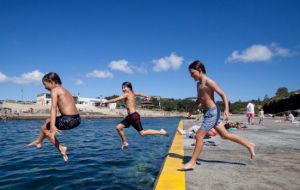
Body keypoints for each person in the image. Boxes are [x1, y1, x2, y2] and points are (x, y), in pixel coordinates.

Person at [181, 60, 255, 170]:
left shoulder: (209, 82)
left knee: (199, 136)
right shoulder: (198, 85)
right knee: (225, 135)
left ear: (199, 70)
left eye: (192, 73)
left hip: (213, 112)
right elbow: (198, 100)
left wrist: (227, 109)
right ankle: (248, 144)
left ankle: (192, 162)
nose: (191, 76)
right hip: (208, 113)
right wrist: (191, 111)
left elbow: (223, 94)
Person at [28, 72, 81, 162]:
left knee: (45, 128)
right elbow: (66, 109)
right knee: (47, 122)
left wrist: (53, 125)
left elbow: (53, 108)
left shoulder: (55, 90)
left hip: (69, 120)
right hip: (76, 119)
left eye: (45, 84)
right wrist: (51, 121)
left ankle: (61, 148)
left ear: (52, 81)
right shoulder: (65, 90)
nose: (45, 87)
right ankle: (39, 141)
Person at [102, 81, 169, 150]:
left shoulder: (127, 94)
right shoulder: (133, 93)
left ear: (129, 88)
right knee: (118, 127)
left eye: (124, 87)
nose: (123, 89)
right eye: (122, 88)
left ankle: (161, 132)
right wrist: (146, 96)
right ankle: (125, 142)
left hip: (134, 116)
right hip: (129, 117)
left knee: (142, 133)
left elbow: (115, 99)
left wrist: (106, 102)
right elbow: (139, 93)